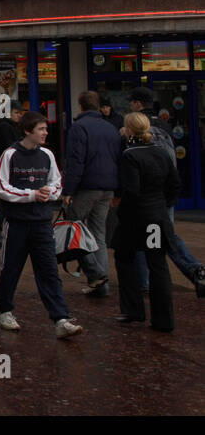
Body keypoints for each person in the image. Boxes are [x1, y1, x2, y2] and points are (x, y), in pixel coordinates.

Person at [0, 111, 83, 339]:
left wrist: (48, 193)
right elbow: (1, 187)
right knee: (11, 268)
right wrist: (31, 195)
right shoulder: (10, 154)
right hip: (17, 223)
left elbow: (56, 183)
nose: (45, 133)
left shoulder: (47, 155)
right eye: (41, 129)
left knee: (49, 271)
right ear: (27, 131)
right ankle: (4, 310)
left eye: (45, 129)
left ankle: (61, 318)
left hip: (42, 223)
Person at [113, 112, 178, 331]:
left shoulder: (130, 155)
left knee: (124, 258)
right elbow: (174, 184)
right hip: (156, 215)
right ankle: (164, 318)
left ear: (128, 130)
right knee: (157, 264)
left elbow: (131, 191)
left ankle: (133, 309)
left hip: (136, 218)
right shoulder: (160, 153)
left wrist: (123, 214)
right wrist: (162, 204)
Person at [61, 90, 122, 299]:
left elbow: (75, 161)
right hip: (107, 186)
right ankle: (101, 282)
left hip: (88, 186)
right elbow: (117, 157)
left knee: (72, 225)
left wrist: (68, 191)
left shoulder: (79, 128)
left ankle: (95, 274)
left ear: (81, 105)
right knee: (99, 234)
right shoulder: (111, 128)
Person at [0, 102, 24, 248]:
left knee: (6, 202)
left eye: (21, 113)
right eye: (16, 112)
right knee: (5, 202)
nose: (19, 115)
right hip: (7, 169)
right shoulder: (5, 127)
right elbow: (9, 148)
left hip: (10, 168)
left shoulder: (12, 126)